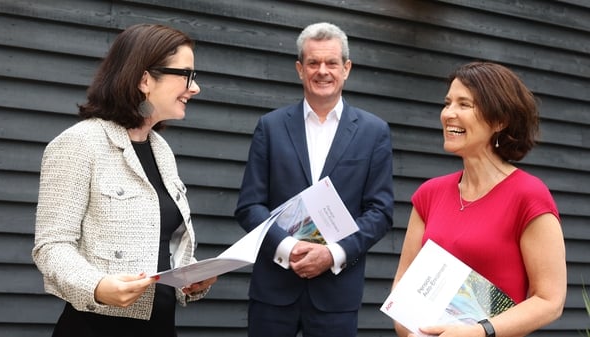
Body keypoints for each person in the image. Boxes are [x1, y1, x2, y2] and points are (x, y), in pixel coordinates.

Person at [32, 24, 216, 337]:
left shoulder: (161, 149)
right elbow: (51, 246)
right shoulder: (79, 143)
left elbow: (156, 244)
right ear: (145, 79)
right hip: (96, 329)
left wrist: (190, 275)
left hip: (160, 328)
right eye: (186, 74)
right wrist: (97, 286)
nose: (194, 87)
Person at [235, 22, 394, 337]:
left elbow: (380, 211)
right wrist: (289, 247)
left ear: (346, 68)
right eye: (313, 63)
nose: (323, 71)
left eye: (332, 63)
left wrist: (332, 254)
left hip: (336, 295)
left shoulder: (374, 132)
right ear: (299, 68)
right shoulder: (271, 126)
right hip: (273, 293)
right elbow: (250, 205)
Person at [392, 61, 567, 337]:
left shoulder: (529, 195)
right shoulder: (429, 194)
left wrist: (477, 332)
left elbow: (550, 301)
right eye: (447, 103)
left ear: (500, 120)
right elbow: (402, 287)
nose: (449, 113)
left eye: (464, 104)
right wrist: (409, 330)